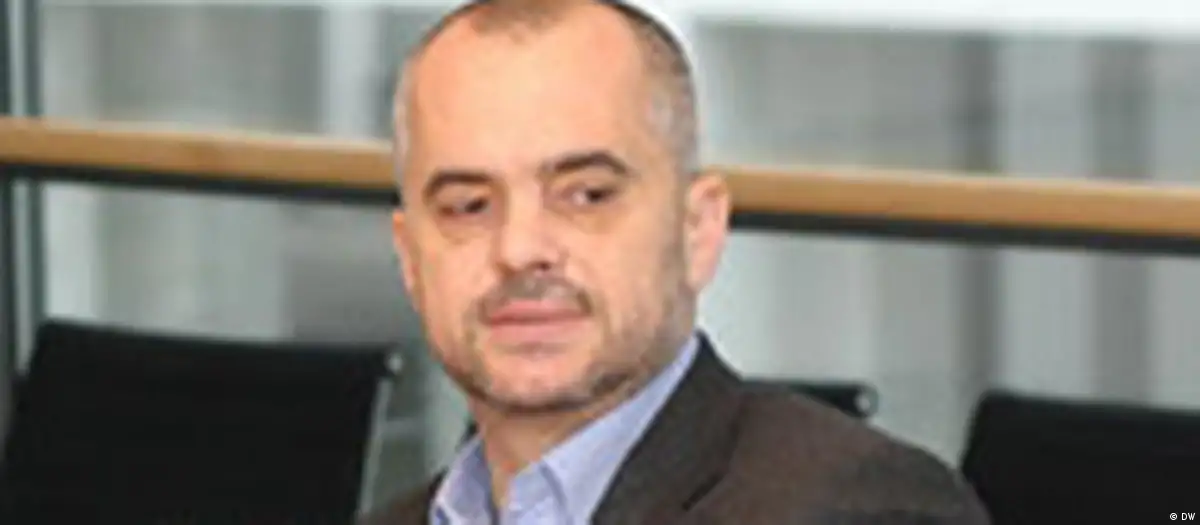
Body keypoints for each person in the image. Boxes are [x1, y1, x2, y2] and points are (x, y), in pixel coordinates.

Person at [364, 0, 991, 523]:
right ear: (410, 258)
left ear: (697, 231)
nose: (519, 249)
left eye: (587, 196)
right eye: (468, 206)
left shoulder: (858, 506)